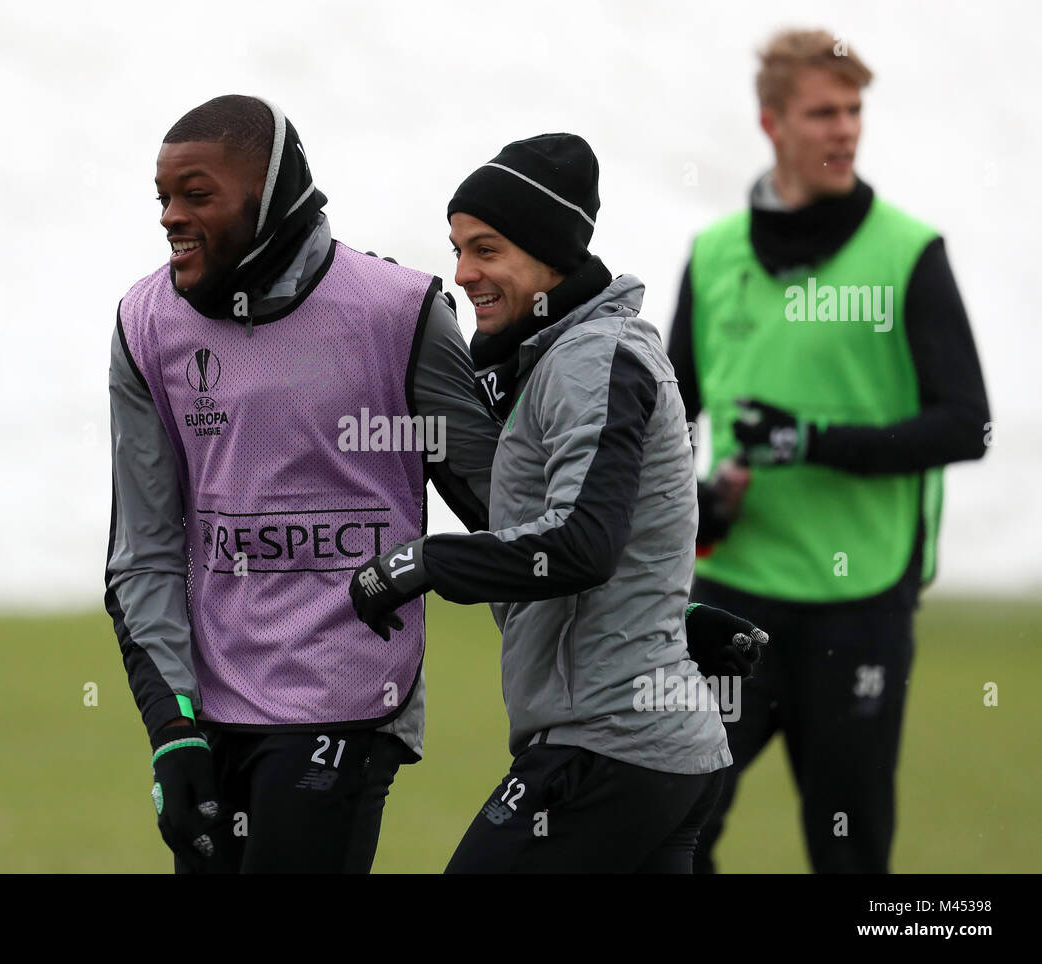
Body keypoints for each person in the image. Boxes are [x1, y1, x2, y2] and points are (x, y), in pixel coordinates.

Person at [349, 134, 767, 873]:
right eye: (457, 249)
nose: (463, 273)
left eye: (486, 250)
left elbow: (580, 545)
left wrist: (425, 562)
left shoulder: (591, 359)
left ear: (551, 257)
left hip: (610, 747)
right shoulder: (557, 360)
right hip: (649, 754)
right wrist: (680, 616)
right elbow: (610, 538)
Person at [104, 94, 499, 873]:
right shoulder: (146, 324)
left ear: (271, 193)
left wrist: (664, 611)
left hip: (345, 704)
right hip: (213, 713)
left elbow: (511, 514)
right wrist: (173, 731)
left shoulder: (398, 312)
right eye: (163, 198)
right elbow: (144, 555)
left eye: (197, 195)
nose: (170, 218)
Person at [667, 29, 991, 873]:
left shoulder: (908, 254)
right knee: (670, 823)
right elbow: (665, 424)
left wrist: (812, 441)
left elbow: (967, 423)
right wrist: (699, 497)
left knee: (849, 852)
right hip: (732, 596)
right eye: (823, 113)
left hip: (863, 604)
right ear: (773, 123)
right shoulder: (713, 256)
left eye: (853, 111)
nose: (844, 130)